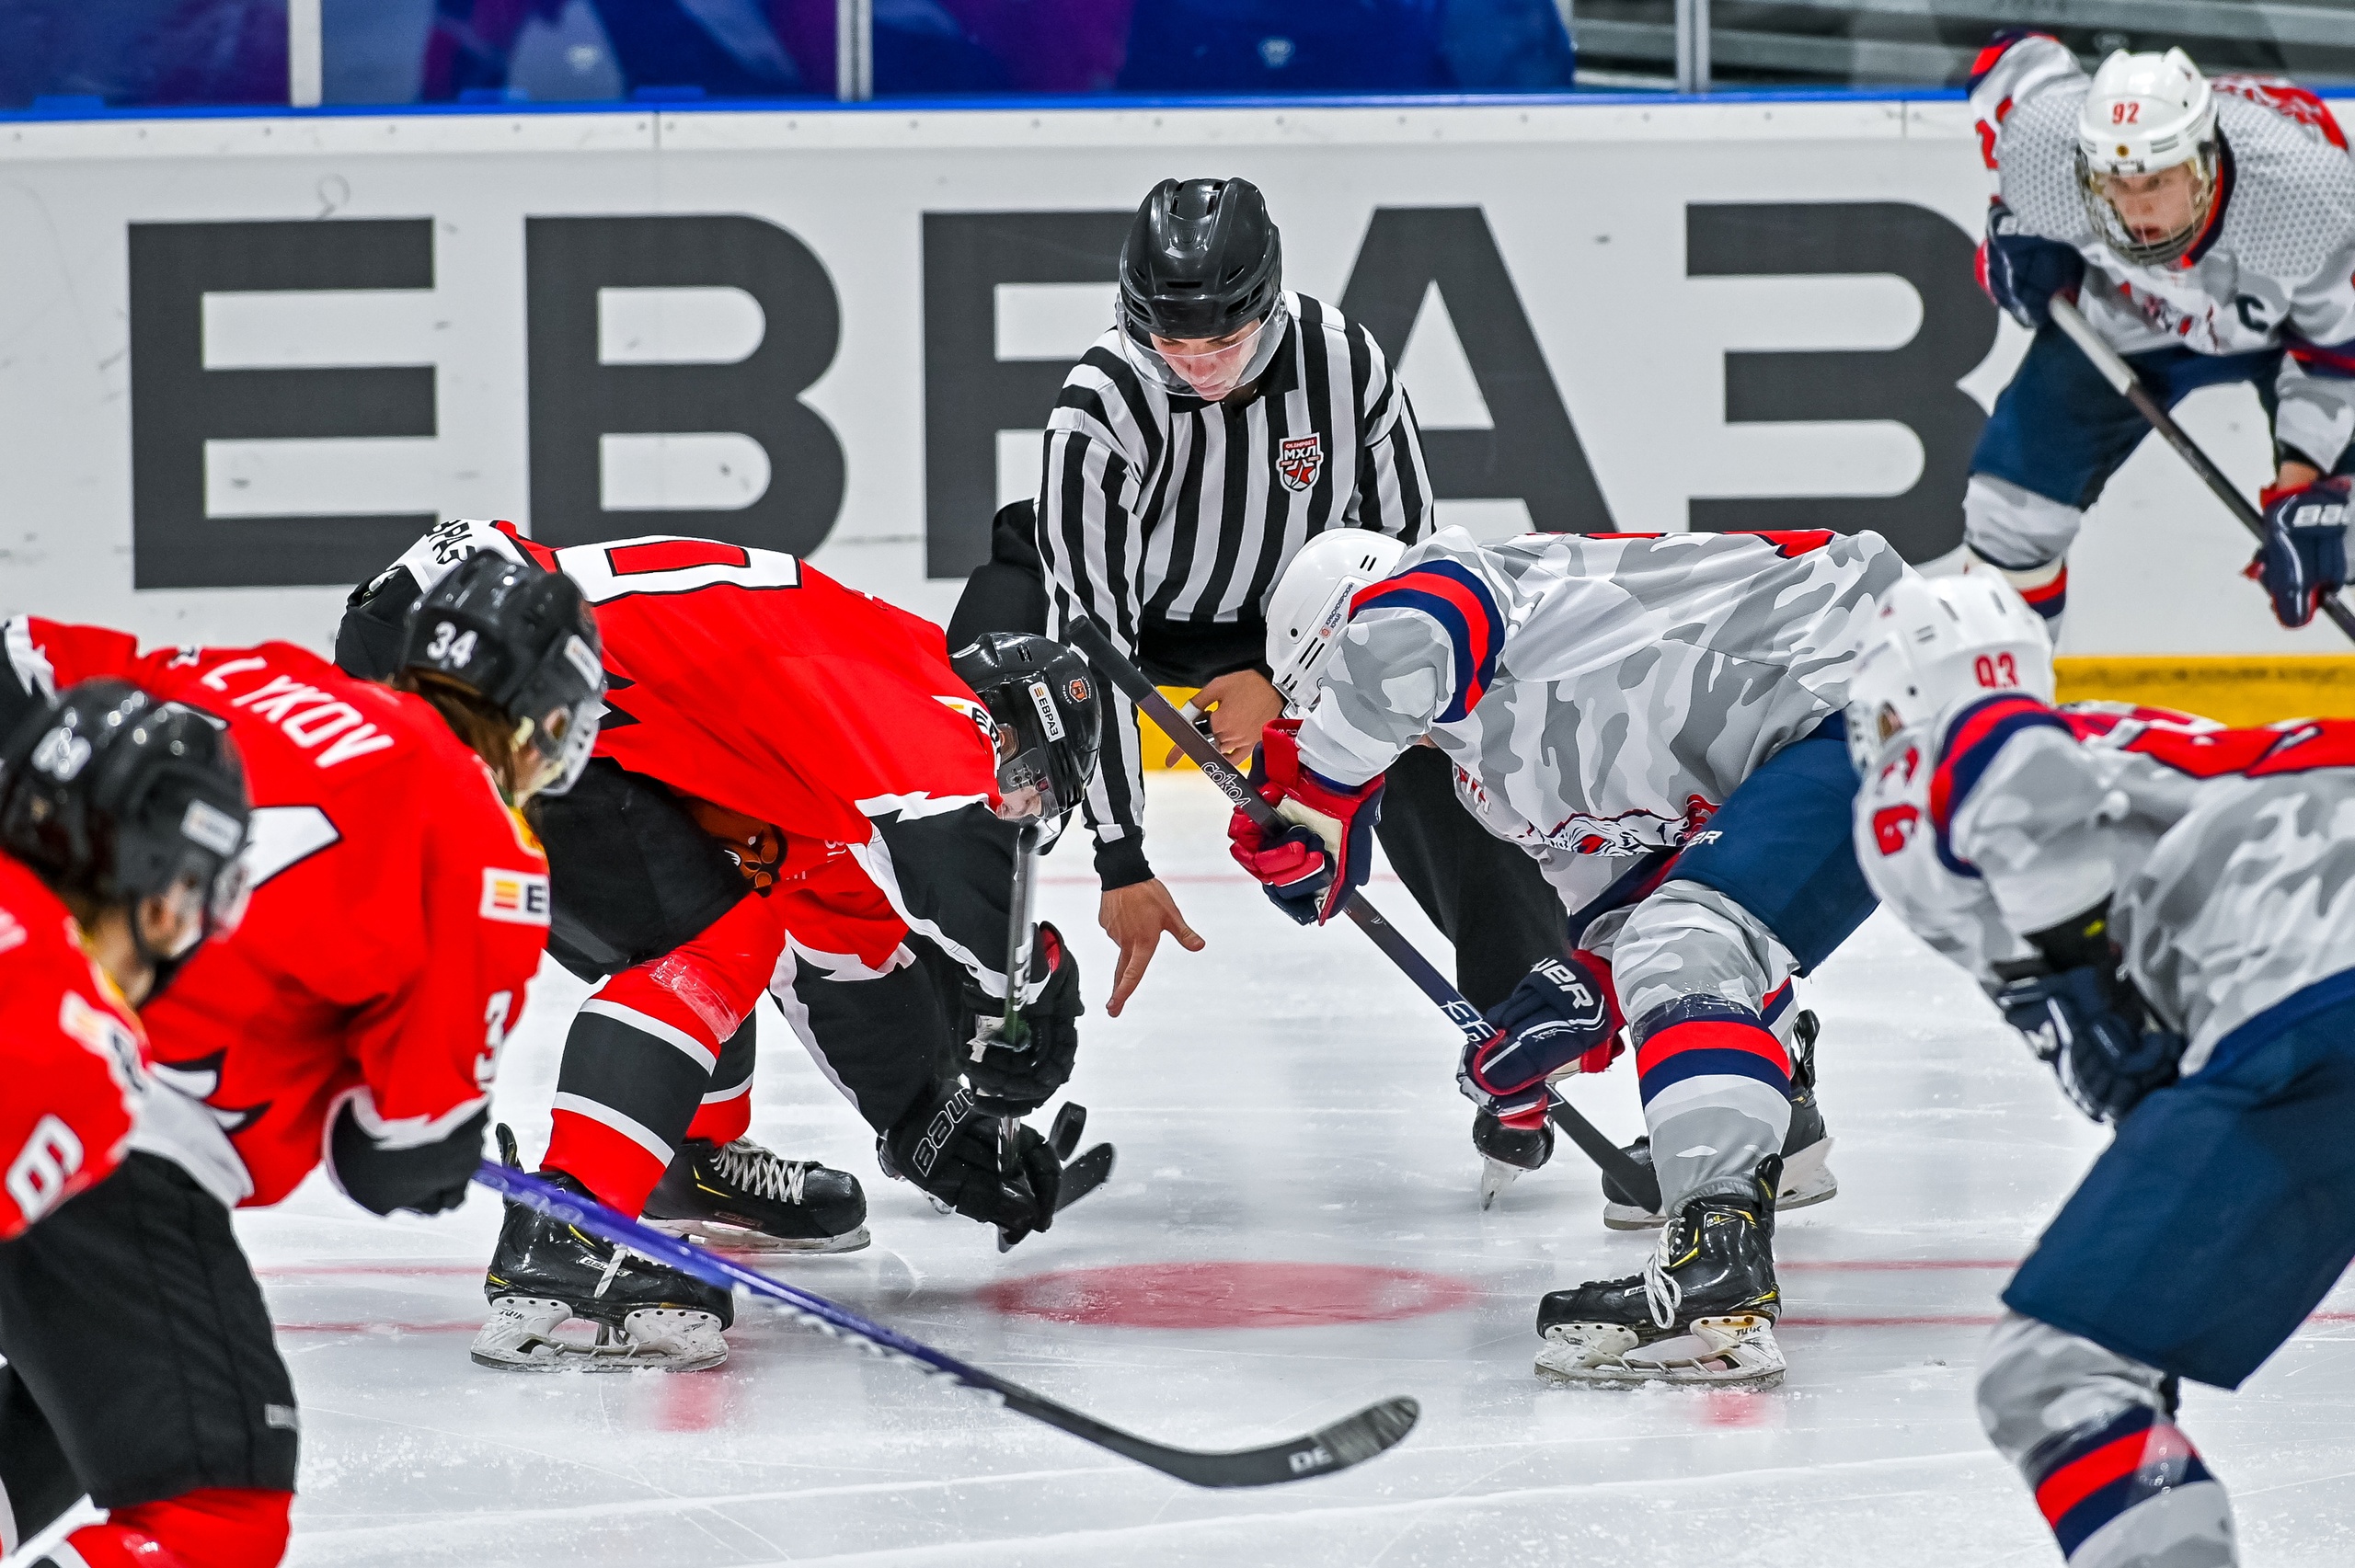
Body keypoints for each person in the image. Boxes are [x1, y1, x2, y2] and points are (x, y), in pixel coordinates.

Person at [338, 521, 1101, 1371]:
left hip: (485, 642)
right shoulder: (923, 696)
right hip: (488, 643)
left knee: (728, 902)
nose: (1017, 810)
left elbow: (847, 965)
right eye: (1029, 786)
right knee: (712, 937)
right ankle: (570, 1236)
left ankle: (682, 1161)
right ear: (1003, 725)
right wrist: (1028, 984)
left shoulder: (835, 755)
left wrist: (932, 1120)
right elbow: (954, 846)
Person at [0, 555, 586, 1568]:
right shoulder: (493, 849)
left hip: (29, 1008)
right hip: (117, 1127)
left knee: (71, 1404)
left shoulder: (263, 673)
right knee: (214, 1510)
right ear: (540, 721)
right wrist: (444, 1151)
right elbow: (394, 1160)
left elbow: (20, 664)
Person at [1227, 524, 1905, 1389]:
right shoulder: (1487, 778)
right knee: (1685, 935)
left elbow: (1408, 633)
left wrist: (1320, 795)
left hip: (1882, 677)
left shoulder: (1486, 584)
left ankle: (1719, 1264)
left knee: (1689, 938)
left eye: (1325, 692)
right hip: (1827, 748)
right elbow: (1629, 904)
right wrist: (1573, 1004)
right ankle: (1773, 1132)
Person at [948, 174, 1568, 1027]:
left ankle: (1532, 1013)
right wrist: (1120, 856)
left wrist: (1284, 687)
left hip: (1293, 610)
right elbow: (1095, 643)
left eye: (1225, 341)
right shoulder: (1099, 407)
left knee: (1440, 729)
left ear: (1270, 309)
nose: (1196, 365)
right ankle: (973, 1017)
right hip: (1134, 608)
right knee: (997, 685)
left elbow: (1420, 601)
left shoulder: (1346, 367)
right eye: (1170, 341)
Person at [1847, 570, 2355, 1568]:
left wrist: (2081, 968)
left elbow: (1999, 752)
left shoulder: (1919, 773)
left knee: (2052, 1377)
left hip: (2309, 993)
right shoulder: (2166, 745)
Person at [1963, 33, 2355, 633]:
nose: (2134, 209)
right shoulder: (2049, 155)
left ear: (2203, 166)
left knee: (2336, 529)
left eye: (2156, 183)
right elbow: (2010, 62)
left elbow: (2336, 353)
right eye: (2116, 183)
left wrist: (2302, 487)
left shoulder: (2305, 200)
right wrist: (2010, 225)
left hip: (2287, 332)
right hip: (2131, 316)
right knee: (2009, 512)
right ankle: (2002, 704)